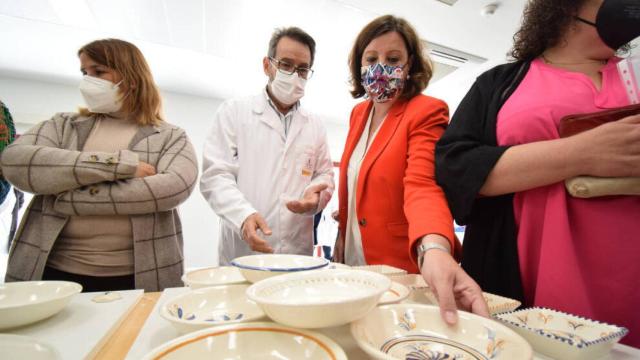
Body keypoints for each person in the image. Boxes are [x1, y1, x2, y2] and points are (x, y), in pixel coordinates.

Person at [435, 0, 640, 346]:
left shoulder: (635, 74)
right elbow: (457, 169)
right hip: (525, 280)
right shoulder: (499, 84)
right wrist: (583, 152)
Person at [0, 39, 198, 292]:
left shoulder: (170, 136)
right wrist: (117, 165)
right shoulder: (63, 125)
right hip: (52, 270)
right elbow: (16, 162)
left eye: (99, 72)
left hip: (139, 276)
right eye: (84, 72)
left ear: (132, 77)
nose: (88, 80)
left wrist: (70, 199)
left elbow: (172, 188)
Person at [332, 15, 488, 324]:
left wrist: (434, 247)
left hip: (400, 268)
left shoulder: (426, 111)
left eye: (393, 59)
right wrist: (345, 220)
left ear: (409, 65)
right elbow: (358, 179)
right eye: (371, 58)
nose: (381, 67)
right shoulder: (357, 114)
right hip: (352, 261)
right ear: (359, 64)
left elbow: (423, 183)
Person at [200, 27, 334, 265]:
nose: (294, 74)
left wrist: (316, 198)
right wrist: (243, 216)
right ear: (267, 65)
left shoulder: (315, 125)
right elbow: (215, 176)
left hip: (296, 254)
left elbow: (324, 174)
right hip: (243, 253)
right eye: (285, 64)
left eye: (303, 69)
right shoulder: (234, 112)